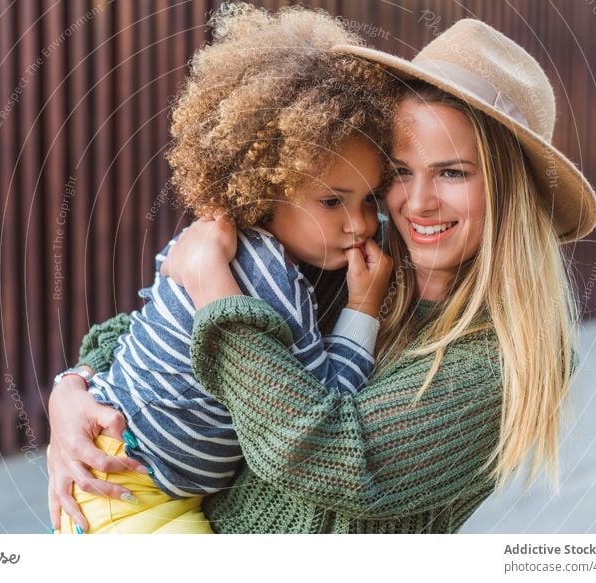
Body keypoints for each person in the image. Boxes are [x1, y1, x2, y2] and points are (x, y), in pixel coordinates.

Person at [48, 16, 596, 534]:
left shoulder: (507, 353)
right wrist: (75, 395)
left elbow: (323, 454)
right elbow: (160, 326)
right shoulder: (365, 258)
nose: (419, 203)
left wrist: (213, 284)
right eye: (401, 172)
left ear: (511, 190)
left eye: (452, 172)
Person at [49, 4, 397, 534]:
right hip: (128, 488)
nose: (360, 224)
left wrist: (73, 383)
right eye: (332, 202)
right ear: (264, 189)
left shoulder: (211, 241)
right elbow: (330, 400)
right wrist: (363, 307)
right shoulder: (270, 280)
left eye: (370, 198)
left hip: (135, 472)